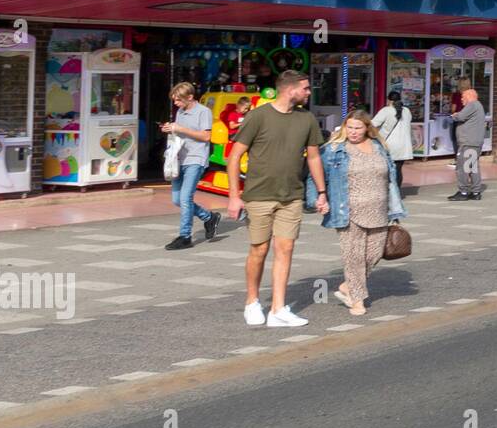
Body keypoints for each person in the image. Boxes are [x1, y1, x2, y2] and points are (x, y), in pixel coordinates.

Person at [227, 70, 328, 328]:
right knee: (259, 250)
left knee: (286, 248)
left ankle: (278, 309)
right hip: (259, 195)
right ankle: (252, 302)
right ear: (290, 89)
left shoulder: (307, 119)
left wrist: (321, 192)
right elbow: (234, 156)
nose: (308, 92)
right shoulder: (258, 116)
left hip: (291, 196)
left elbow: (314, 157)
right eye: (305, 88)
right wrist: (234, 196)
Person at [307, 111, 406, 317]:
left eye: (358, 128)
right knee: (354, 257)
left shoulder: (379, 147)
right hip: (348, 210)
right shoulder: (334, 149)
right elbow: (314, 175)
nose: (353, 132)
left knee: (375, 253)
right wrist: (319, 198)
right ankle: (357, 299)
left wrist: (394, 206)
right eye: (349, 127)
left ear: (367, 128)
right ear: (344, 128)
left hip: (379, 210)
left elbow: (391, 179)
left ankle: (347, 285)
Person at [161, 82, 222, 251]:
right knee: (177, 199)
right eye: (174, 101)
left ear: (190, 97)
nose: (176, 104)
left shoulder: (204, 112)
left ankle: (185, 236)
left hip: (196, 158)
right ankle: (209, 217)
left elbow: (205, 136)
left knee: (185, 197)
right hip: (179, 158)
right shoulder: (180, 112)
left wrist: (180, 128)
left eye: (178, 100)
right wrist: (171, 129)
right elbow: (181, 133)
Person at [448, 87, 486, 201]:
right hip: (474, 142)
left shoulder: (472, 105)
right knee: (472, 167)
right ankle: (476, 192)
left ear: (469, 96)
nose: (461, 100)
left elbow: (460, 116)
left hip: (468, 142)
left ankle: (463, 191)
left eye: (463, 97)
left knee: (463, 168)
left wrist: (454, 115)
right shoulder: (478, 106)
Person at [372, 91, 414, 184]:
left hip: (390, 145)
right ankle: (397, 193)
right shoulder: (407, 111)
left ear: (389, 100)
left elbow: (373, 124)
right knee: (398, 170)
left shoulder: (386, 110)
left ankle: (389, 192)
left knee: (387, 170)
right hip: (404, 145)